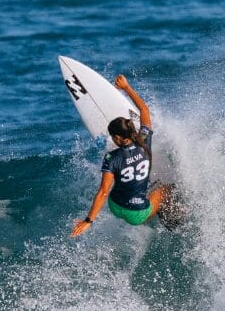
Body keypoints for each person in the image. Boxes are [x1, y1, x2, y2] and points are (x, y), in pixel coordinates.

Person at [70, 74, 171, 237]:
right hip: (137, 214)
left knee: (121, 178)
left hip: (115, 206)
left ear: (118, 138)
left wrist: (88, 221)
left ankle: (141, 201)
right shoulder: (144, 141)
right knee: (166, 190)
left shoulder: (111, 158)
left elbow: (103, 192)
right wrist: (126, 87)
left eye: (112, 137)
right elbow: (144, 110)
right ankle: (171, 222)